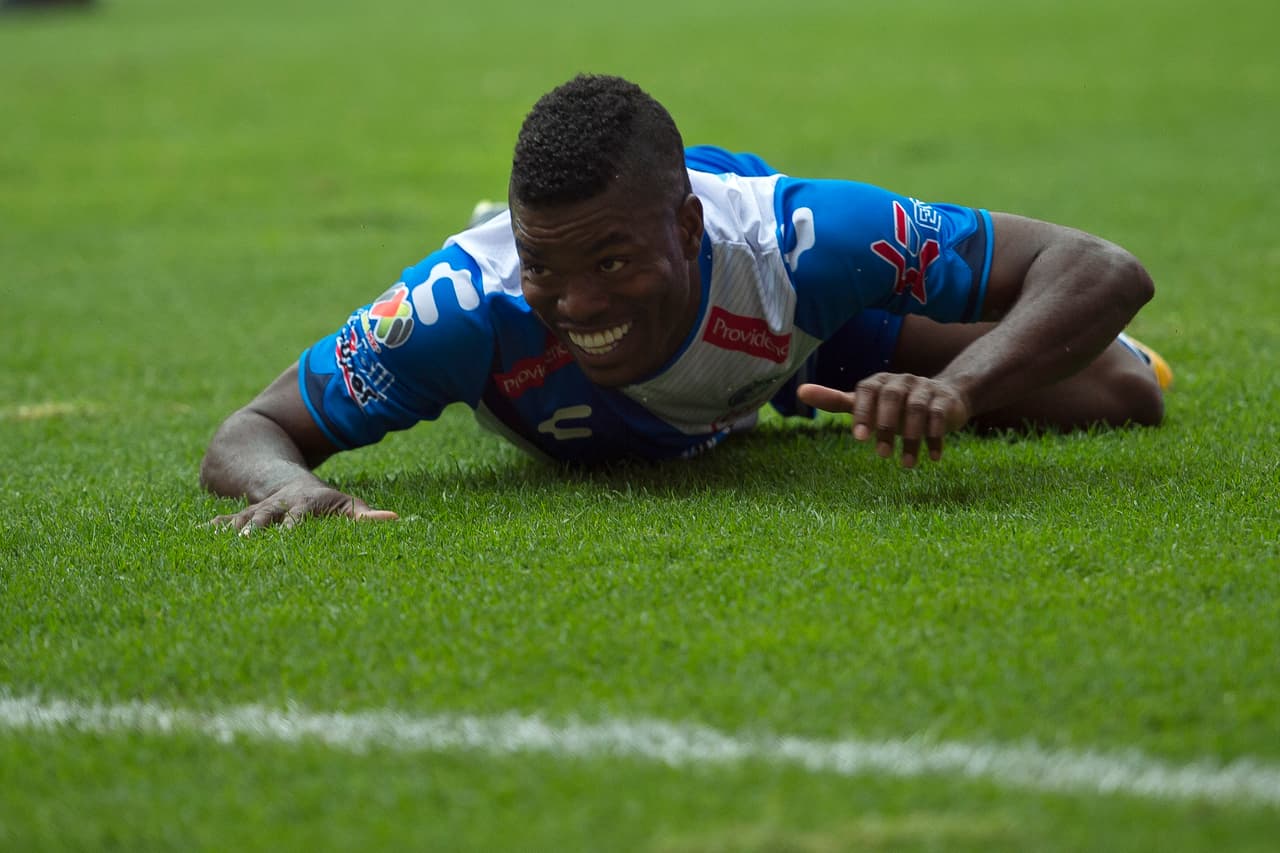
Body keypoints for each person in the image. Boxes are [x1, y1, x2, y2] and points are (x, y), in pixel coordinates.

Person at [202, 74, 1170, 532]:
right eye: (545, 263)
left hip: (792, 341)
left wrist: (955, 388)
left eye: (611, 260)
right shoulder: (461, 306)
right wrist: (282, 484)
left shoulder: (803, 240)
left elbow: (1099, 267)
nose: (576, 300)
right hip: (715, 362)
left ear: (689, 225)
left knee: (1123, 390)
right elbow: (251, 429)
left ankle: (789, 381)